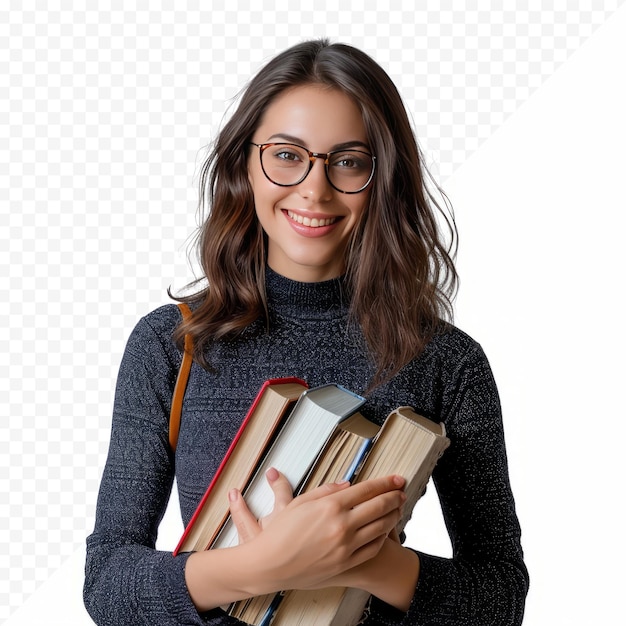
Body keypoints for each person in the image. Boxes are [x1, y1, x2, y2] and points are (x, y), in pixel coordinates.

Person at [84, 39, 528, 625]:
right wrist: (264, 566)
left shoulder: (448, 361)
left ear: (382, 177)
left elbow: (500, 598)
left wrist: (361, 560)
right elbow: (107, 582)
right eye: (288, 155)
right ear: (246, 161)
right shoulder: (171, 344)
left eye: (348, 161)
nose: (314, 190)